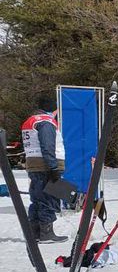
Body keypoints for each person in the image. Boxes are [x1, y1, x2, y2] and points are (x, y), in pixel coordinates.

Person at [21, 95, 67, 243]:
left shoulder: (31, 120)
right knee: (48, 199)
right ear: (53, 109)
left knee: (37, 198)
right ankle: (47, 234)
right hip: (46, 165)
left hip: (34, 165)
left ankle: (34, 233)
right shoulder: (46, 122)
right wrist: (53, 167)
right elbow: (47, 146)